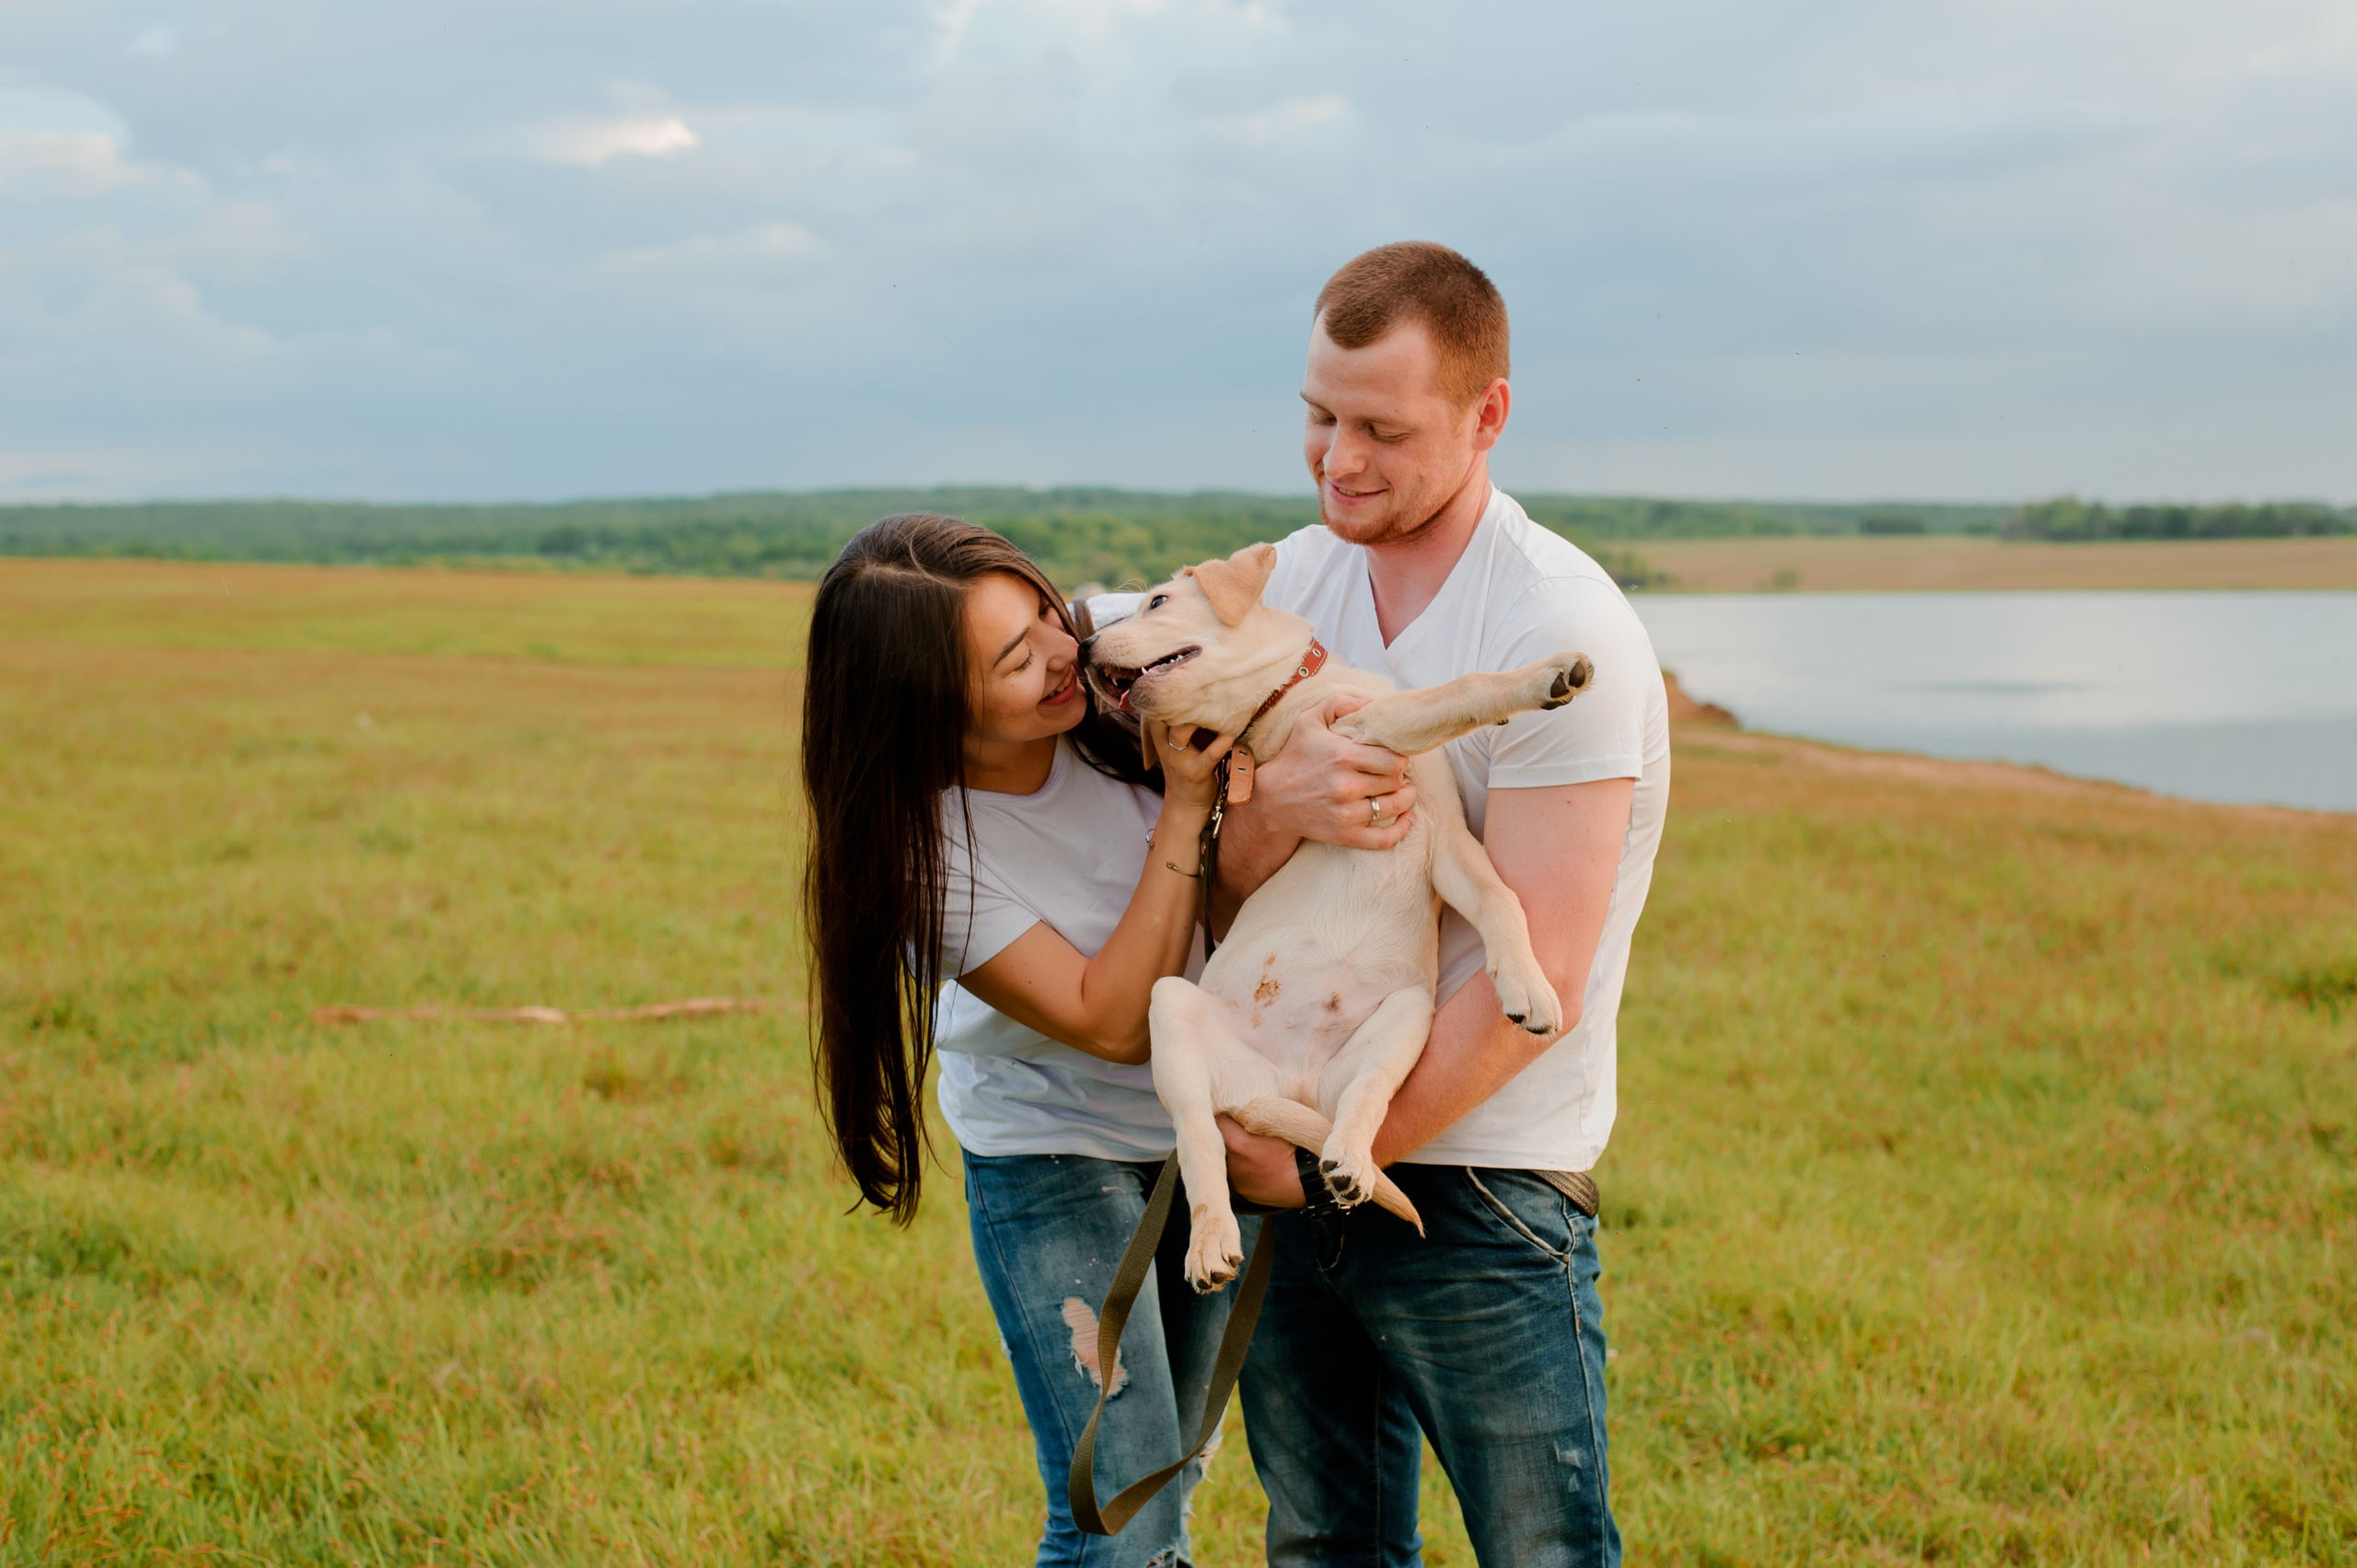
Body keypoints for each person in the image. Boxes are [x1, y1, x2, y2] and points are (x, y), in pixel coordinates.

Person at [800, 514, 1407, 1566]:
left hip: (1215, 1121)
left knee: (1176, 1469)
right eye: (1013, 658)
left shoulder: (1126, 641)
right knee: (1122, 1511)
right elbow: (1115, 1022)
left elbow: (1286, 626)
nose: (1062, 651)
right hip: (1058, 1149)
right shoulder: (925, 851)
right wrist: (1187, 803)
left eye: (1045, 612)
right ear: (928, 704)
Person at [1213, 242, 1672, 1566]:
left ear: (1488, 415)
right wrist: (1273, 807)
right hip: (1294, 1136)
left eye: (1381, 428)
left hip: (1483, 1179)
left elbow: (1544, 976)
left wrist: (1325, 1165)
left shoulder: (1557, 626)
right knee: (1322, 1545)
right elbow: (1228, 882)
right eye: (1319, 414)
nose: (1337, 458)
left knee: (1540, 1551)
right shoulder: (1293, 585)